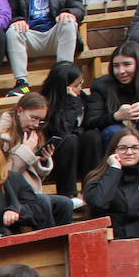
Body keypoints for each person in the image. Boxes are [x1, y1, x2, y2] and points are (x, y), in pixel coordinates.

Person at [85, 42, 139, 176]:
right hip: (114, 134)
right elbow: (90, 121)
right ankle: (117, 177)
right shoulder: (101, 85)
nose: (121, 71)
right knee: (113, 131)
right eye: (116, 66)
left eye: (127, 64)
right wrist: (116, 116)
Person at [4, 0, 85, 96]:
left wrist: (68, 13)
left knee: (69, 22)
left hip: (56, 36)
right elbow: (10, 14)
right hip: (30, 38)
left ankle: (64, 79)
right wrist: (17, 20)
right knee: (13, 30)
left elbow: (78, 8)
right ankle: (22, 84)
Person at [0, 94, 74, 226]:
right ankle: (48, 244)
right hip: (9, 198)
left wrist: (42, 159)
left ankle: (62, 242)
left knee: (65, 204)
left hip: (28, 194)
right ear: (20, 111)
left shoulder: (30, 135)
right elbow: (6, 176)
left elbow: (33, 178)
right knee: (42, 202)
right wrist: (25, 151)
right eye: (33, 118)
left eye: (40, 120)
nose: (36, 124)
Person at [82, 126, 139, 238]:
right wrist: (114, 169)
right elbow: (98, 202)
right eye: (122, 148)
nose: (129, 152)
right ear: (113, 151)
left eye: (135, 147)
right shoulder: (95, 178)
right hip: (107, 243)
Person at [39, 62, 100, 200]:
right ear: (64, 87)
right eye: (76, 85)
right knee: (70, 140)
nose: (80, 88)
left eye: (81, 83)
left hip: (82, 156)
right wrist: (71, 102)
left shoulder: (82, 97)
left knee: (93, 136)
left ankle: (92, 192)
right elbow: (62, 131)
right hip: (56, 157)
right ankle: (68, 195)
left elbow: (91, 122)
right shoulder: (46, 103)